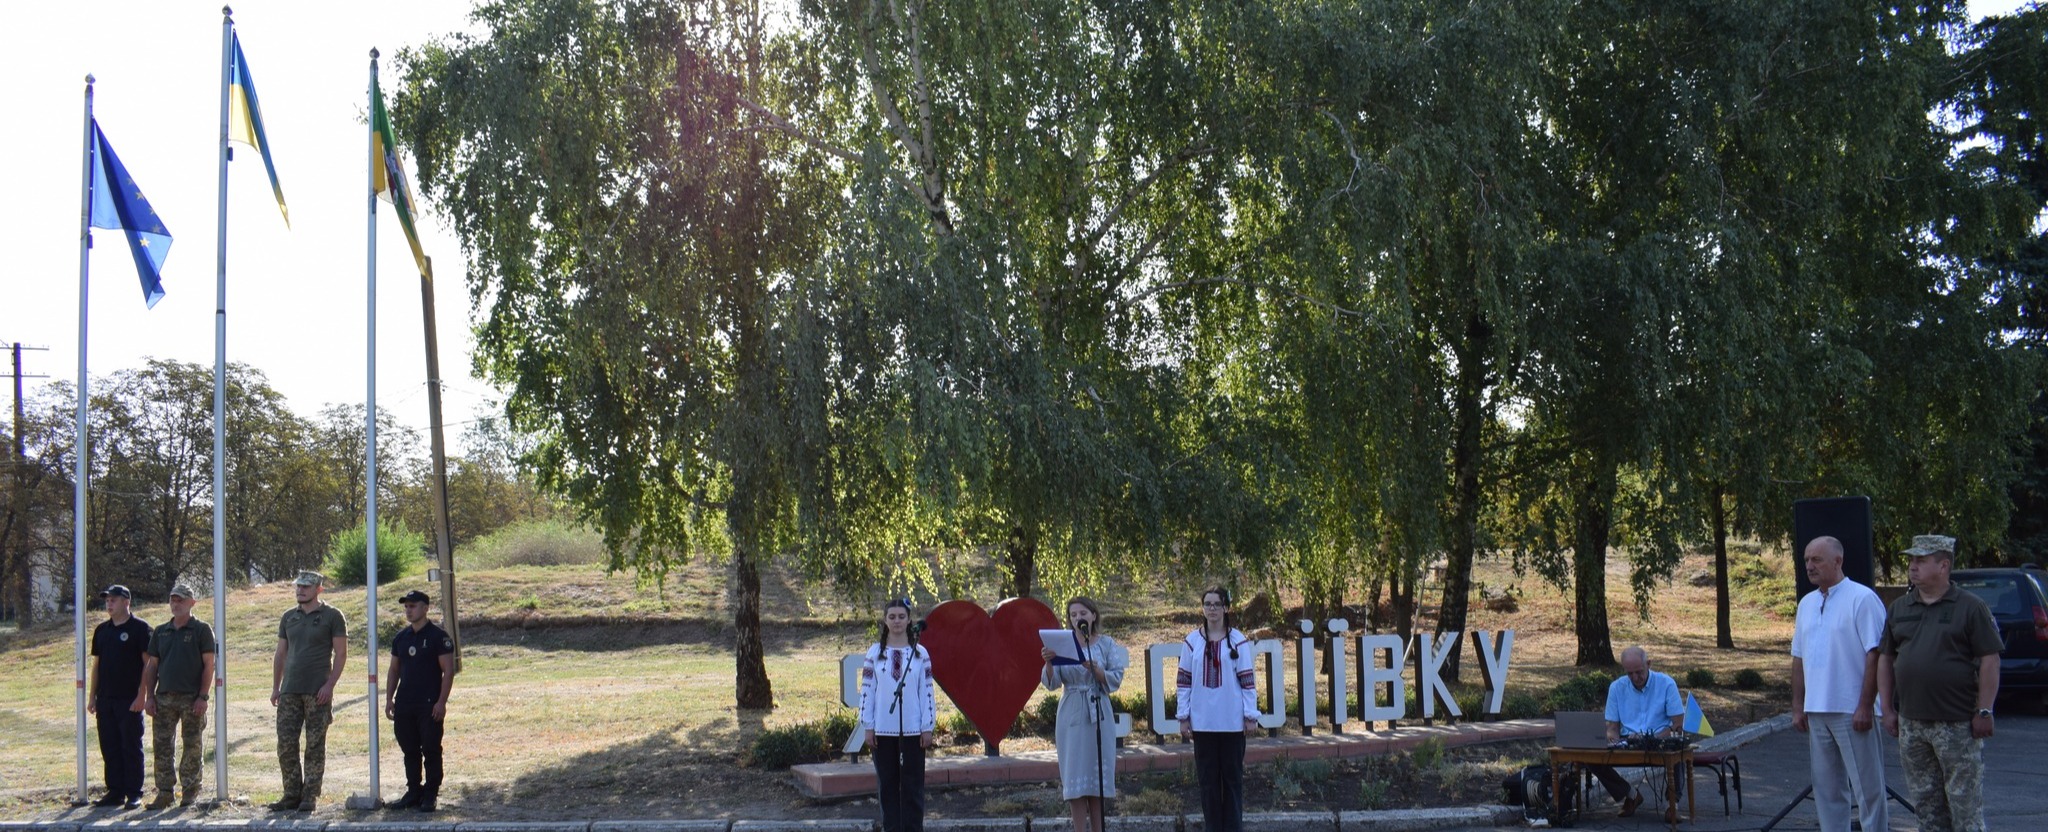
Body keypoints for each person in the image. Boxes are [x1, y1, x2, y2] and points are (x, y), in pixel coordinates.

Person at [1879, 534, 2001, 832]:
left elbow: (1990, 660)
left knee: (1964, 808)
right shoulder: (1900, 608)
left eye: (1921, 560)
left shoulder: (1970, 607)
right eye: (1911, 560)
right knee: (1927, 808)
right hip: (1912, 723)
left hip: (1957, 724)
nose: (1912, 566)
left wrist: (1984, 710)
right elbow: (1886, 659)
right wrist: (1888, 709)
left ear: (1943, 565)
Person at [1790, 535, 1888, 832]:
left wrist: (1865, 705)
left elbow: (1875, 654)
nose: (1809, 566)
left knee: (1868, 789)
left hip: (1851, 709)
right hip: (1817, 710)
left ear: (1838, 561)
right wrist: (1798, 706)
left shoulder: (1862, 598)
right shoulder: (1806, 603)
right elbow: (1798, 657)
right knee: (1827, 790)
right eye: (1806, 560)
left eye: (1816, 560)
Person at [1039, 596, 1127, 832]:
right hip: (1072, 713)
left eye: (1083, 613)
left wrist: (1098, 671)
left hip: (1099, 712)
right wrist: (1049, 663)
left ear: (1093, 615)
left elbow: (1116, 676)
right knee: (1075, 777)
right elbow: (1052, 683)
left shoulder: (1106, 644)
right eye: (1073, 615)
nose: (1078, 618)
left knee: (1097, 780)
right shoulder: (1062, 643)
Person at [1175, 587, 1258, 832]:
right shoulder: (1192, 641)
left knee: (1232, 782)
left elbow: (1248, 681)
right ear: (1202, 608)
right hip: (1203, 723)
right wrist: (1183, 716)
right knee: (1208, 783)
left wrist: (1250, 715)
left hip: (1232, 723)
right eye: (1207, 604)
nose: (1212, 609)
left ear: (1226, 608)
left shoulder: (1238, 641)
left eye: (1217, 604)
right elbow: (1184, 681)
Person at [270, 570, 347, 813]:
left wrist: (329, 685)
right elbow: (281, 654)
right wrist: (276, 687)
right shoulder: (288, 617)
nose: (300, 590)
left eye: (306, 587)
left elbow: (341, 654)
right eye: (298, 586)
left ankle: (309, 796)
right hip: (290, 691)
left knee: (314, 746)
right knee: (286, 744)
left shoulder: (332, 616)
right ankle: (291, 794)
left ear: (318, 589)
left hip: (317, 691)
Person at [858, 599, 934, 832]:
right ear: (885, 620)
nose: (897, 621)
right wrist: (868, 725)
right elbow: (867, 690)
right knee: (888, 786)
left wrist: (927, 726)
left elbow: (927, 691)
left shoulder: (920, 653)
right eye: (892, 617)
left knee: (913, 786)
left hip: (913, 730)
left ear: (909, 620)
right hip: (883, 730)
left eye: (901, 616)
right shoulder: (875, 653)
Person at [137, 583, 216, 808]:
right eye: (173, 599)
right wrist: (149, 697)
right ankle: (164, 793)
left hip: (191, 698)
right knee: (162, 747)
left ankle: (190, 791)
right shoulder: (161, 631)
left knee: (192, 746)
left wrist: (203, 696)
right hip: (164, 698)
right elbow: (152, 666)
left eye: (181, 599)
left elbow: (209, 665)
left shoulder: (201, 630)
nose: (176, 604)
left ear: (192, 602)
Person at [1591, 645, 1685, 822]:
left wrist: (1651, 738)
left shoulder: (1666, 684)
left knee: (1678, 748)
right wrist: (1613, 739)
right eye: (1630, 673)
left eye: (1639, 672)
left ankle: (1671, 805)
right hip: (1628, 740)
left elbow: (1678, 724)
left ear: (1648, 664)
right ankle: (1630, 794)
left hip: (1660, 739)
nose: (1635, 678)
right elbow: (1612, 727)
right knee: (1591, 757)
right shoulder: (1616, 687)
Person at [385, 589, 455, 813]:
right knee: (410, 749)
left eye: (413, 606)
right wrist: (389, 699)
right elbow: (394, 670)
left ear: (425, 608)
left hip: (429, 703)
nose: (408, 610)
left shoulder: (438, 637)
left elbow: (448, 671)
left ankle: (431, 793)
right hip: (405, 702)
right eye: (406, 606)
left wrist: (441, 702)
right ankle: (413, 791)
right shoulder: (401, 637)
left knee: (431, 748)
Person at [87, 584, 150, 809]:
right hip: (106, 699)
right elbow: (97, 666)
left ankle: (134, 792)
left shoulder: (140, 628)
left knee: (130, 746)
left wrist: (142, 695)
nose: (109, 604)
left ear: (126, 601)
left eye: (113, 600)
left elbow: (148, 665)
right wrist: (92, 697)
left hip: (129, 699)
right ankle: (115, 791)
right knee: (109, 746)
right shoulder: (102, 630)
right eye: (107, 600)